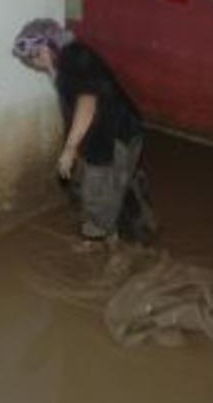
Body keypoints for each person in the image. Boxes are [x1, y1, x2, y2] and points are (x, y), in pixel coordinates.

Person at [12, 18, 156, 242]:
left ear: (51, 44)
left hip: (115, 134)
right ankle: (137, 227)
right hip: (123, 127)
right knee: (116, 183)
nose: (34, 61)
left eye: (37, 53)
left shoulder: (72, 60)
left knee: (97, 192)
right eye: (29, 58)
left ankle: (103, 247)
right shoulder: (70, 57)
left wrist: (70, 149)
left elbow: (87, 101)